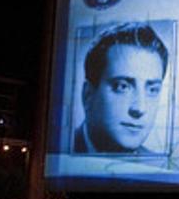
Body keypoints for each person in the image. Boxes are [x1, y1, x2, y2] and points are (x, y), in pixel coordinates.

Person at [72, 22, 169, 155]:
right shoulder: (58, 153)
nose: (140, 108)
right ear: (88, 95)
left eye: (152, 90)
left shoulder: (160, 170)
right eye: (122, 87)